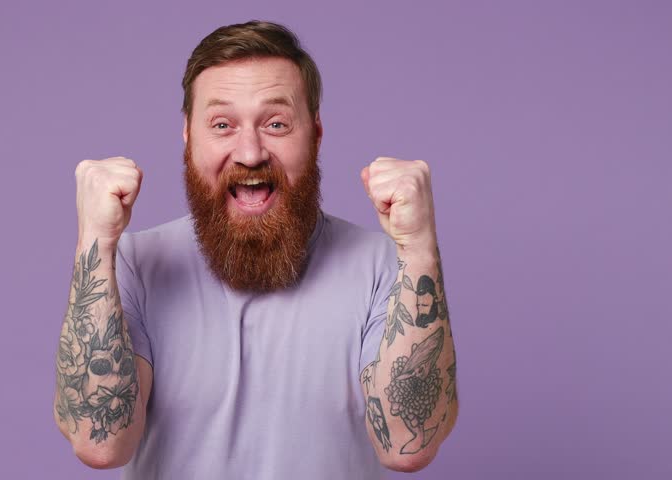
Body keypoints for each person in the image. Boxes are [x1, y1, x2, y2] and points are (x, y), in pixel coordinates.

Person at [54, 20, 458, 479]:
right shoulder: (132, 263)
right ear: (188, 136)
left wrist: (419, 246)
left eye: (276, 124)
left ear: (316, 134)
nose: (250, 153)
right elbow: (100, 443)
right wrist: (95, 240)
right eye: (222, 125)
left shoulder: (384, 265)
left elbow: (408, 445)